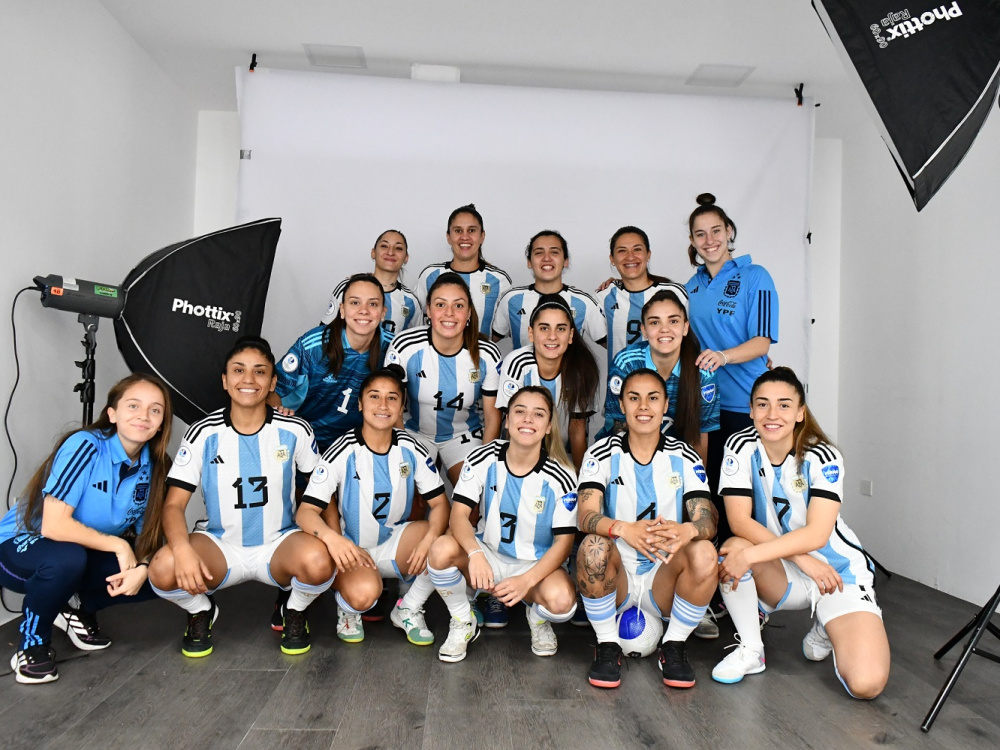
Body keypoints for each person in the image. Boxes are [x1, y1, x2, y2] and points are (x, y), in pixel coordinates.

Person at [148, 336, 334, 657]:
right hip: (220, 545)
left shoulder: (295, 430)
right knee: (163, 568)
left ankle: (294, 609)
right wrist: (182, 549)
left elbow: (323, 493)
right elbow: (174, 505)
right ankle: (201, 611)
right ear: (225, 380)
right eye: (238, 370)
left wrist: (333, 538)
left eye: (260, 372)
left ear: (273, 381)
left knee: (321, 561)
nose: (248, 380)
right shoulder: (203, 433)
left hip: (279, 543)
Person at [711, 367, 889, 698]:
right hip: (786, 570)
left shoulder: (822, 455)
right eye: (762, 404)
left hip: (837, 575)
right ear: (750, 410)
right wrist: (801, 560)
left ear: (800, 412)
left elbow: (817, 535)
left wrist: (794, 556)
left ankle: (828, 623)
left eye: (783, 405)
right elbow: (739, 522)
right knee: (733, 548)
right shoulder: (739, 446)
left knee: (867, 685)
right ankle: (752, 650)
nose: (772, 414)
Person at [0, 373, 173, 684]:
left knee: (165, 573)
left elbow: (149, 537)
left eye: (155, 410)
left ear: (161, 423)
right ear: (112, 414)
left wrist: (144, 566)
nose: (143, 416)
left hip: (80, 552)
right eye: (133, 405)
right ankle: (33, 645)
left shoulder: (156, 465)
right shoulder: (86, 445)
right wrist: (119, 545)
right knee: (66, 557)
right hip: (19, 548)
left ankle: (78, 610)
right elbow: (53, 526)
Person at [575, 368, 718, 690]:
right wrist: (625, 529)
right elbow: (584, 516)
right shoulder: (601, 453)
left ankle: (675, 646)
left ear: (666, 405)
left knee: (705, 551)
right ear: (622, 406)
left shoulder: (684, 456)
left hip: (664, 578)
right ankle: (607, 646)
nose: (643, 406)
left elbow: (707, 518)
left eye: (653, 398)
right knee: (593, 546)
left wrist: (688, 531)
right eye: (634, 398)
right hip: (618, 579)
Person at [296, 367, 449, 645]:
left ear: (402, 406)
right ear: (360, 403)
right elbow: (305, 512)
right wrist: (336, 541)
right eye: (374, 396)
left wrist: (428, 540)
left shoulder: (412, 448)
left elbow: (440, 504)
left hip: (394, 542)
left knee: (444, 545)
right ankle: (347, 609)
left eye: (392, 398)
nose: (382, 405)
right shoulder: (343, 450)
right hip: (353, 547)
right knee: (365, 596)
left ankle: (408, 608)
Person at [426, 387, 579, 662]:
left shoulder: (563, 475)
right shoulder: (482, 457)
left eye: (538, 414)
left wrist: (526, 580)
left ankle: (537, 620)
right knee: (440, 549)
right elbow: (458, 515)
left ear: (548, 427)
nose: (528, 420)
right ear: (507, 420)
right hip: (489, 557)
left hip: (535, 566)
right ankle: (463, 620)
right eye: (520, 411)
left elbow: (564, 543)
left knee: (562, 603)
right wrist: (475, 554)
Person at [684, 193, 779, 541]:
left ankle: (749, 574)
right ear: (692, 241)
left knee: (745, 497)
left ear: (729, 232)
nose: (709, 241)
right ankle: (713, 577)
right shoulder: (690, 286)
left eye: (716, 231)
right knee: (706, 494)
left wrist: (724, 356)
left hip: (745, 404)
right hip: (706, 405)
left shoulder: (755, 276)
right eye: (700, 234)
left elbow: (762, 343)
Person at [387, 273, 502, 487]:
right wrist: (402, 451)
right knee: (411, 496)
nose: (449, 313)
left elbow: (492, 417)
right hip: (413, 431)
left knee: (472, 495)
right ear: (428, 311)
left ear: (468, 313)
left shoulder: (487, 353)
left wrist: (484, 465)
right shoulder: (405, 346)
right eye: (440, 304)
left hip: (463, 434)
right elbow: (390, 404)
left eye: (458, 306)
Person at [274, 273, 393, 454]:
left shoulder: (393, 349)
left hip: (358, 447)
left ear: (383, 313)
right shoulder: (313, 346)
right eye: (355, 302)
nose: (364, 310)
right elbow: (272, 390)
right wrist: (281, 414)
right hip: (305, 442)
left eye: (373, 304)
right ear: (342, 310)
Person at [599, 289, 720, 463]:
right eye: (655, 322)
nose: (664, 329)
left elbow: (699, 437)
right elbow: (618, 427)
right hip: (627, 455)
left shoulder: (703, 371)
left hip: (677, 460)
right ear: (644, 330)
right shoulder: (626, 363)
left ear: (685, 327)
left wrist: (699, 486)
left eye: (673, 321)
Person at [496, 295, 600, 472]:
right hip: (521, 449)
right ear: (531, 333)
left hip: (562, 454)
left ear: (570, 335)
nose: (552, 336)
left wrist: (580, 477)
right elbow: (510, 423)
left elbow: (576, 430)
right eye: (544, 328)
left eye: (560, 329)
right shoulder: (517, 363)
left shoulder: (581, 368)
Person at [595, 226, 689, 372]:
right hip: (620, 385)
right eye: (622, 251)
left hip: (669, 385)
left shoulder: (675, 292)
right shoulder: (604, 296)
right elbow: (605, 339)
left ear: (648, 254)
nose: (630, 256)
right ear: (612, 259)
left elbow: (688, 339)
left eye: (637, 249)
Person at [492, 230, 606, 349]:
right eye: (539, 253)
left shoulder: (583, 302)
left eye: (554, 252)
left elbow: (615, 344)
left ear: (565, 261)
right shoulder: (511, 300)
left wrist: (625, 282)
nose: (547, 258)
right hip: (523, 368)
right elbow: (487, 341)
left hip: (569, 368)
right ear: (529, 262)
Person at [415, 204, 512, 337]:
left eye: (471, 230)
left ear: (482, 236)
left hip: (479, 357)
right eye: (458, 230)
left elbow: (503, 327)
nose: (464, 237)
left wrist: (479, 346)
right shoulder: (430, 275)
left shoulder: (499, 280)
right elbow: (416, 319)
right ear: (448, 237)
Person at [320, 230, 420, 335]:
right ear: (373, 253)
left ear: (406, 258)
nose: (390, 252)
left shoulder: (411, 302)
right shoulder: (347, 287)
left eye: (398, 248)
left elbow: (418, 343)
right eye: (384, 246)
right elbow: (323, 334)